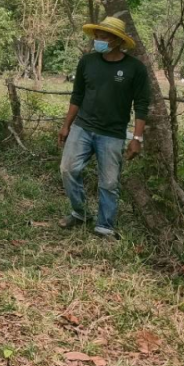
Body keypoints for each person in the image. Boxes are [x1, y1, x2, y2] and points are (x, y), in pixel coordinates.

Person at [58, 16, 150, 239]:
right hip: (82, 127)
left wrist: (137, 139)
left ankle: (105, 226)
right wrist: (66, 125)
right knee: (68, 169)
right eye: (97, 36)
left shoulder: (135, 69)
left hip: (112, 134)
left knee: (109, 182)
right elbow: (77, 95)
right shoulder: (87, 62)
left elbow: (141, 104)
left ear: (117, 41)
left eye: (104, 36)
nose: (99, 40)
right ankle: (79, 213)